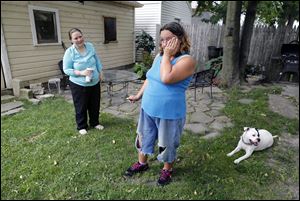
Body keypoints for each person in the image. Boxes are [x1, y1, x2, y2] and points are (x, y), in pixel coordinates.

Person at [124, 22, 196, 186]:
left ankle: (167, 170)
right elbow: (150, 78)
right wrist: (138, 95)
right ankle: (142, 163)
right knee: (143, 137)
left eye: (168, 39)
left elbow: (166, 78)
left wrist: (167, 55)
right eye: (162, 40)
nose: (164, 44)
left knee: (167, 143)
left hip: (169, 113)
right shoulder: (159, 57)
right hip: (148, 107)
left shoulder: (187, 61)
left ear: (180, 39)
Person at [63, 28, 104, 135]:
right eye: (75, 38)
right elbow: (66, 69)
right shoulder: (69, 52)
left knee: (95, 104)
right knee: (81, 105)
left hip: (94, 82)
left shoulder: (90, 46)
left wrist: (100, 72)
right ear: (71, 40)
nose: (79, 39)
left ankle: (95, 122)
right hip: (78, 84)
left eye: (80, 36)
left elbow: (97, 59)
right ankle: (82, 126)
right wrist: (81, 73)